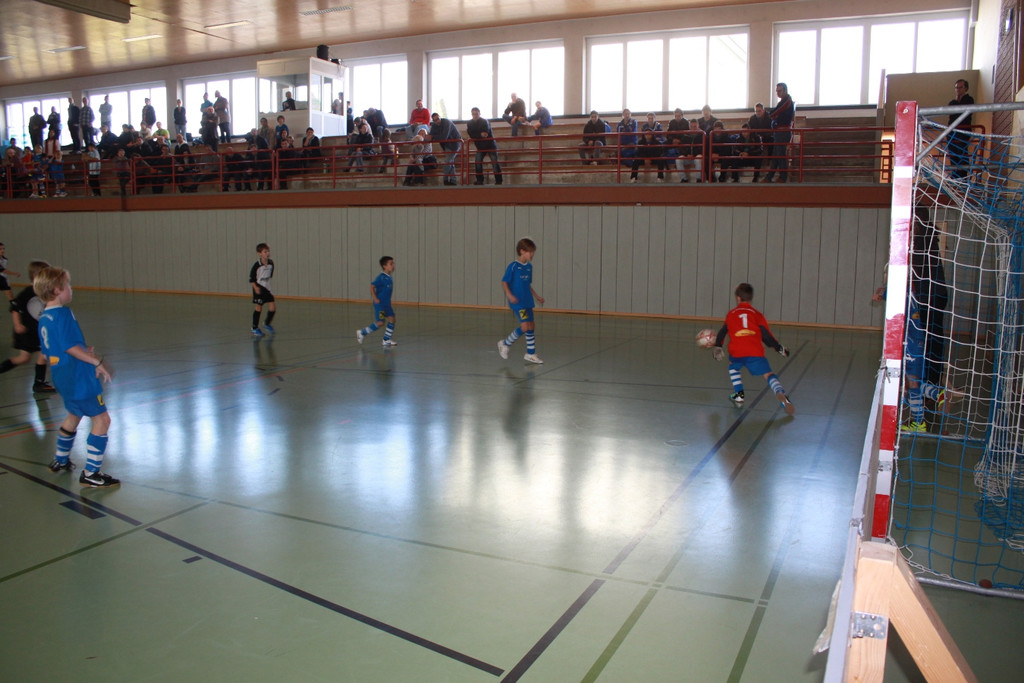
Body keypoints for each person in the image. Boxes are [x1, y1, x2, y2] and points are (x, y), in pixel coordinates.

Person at [35, 266, 119, 487]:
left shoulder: (44, 317)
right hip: (78, 377)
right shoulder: (63, 314)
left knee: (74, 414)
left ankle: (60, 459)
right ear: (57, 289)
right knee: (102, 419)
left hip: (62, 376)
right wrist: (94, 361)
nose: (71, 289)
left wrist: (84, 350)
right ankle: (91, 473)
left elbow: (48, 351)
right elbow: (69, 346)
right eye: (68, 285)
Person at [711, 282, 794, 415]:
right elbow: (766, 336)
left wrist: (718, 346)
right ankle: (780, 392)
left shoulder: (731, 314)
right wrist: (779, 348)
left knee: (733, 366)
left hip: (737, 351)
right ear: (751, 298)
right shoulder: (757, 315)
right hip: (755, 352)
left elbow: (723, 331)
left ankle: (739, 394)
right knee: (768, 374)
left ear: (738, 298)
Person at [0, 259, 56, 392]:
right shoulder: (28, 292)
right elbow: (15, 308)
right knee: (39, 355)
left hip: (37, 331)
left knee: (26, 357)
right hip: (27, 332)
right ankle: (39, 383)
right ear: (36, 276)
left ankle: (39, 383)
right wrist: (18, 325)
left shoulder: (45, 293)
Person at [497, 237, 545, 364]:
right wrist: (510, 295)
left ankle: (530, 354)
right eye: (530, 252)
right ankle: (505, 344)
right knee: (524, 326)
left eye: (533, 252)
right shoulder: (513, 266)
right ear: (522, 251)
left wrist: (536, 296)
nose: (532, 254)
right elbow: (504, 281)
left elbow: (527, 284)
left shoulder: (529, 267)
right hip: (518, 303)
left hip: (527, 301)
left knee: (531, 326)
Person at [355, 256, 398, 347]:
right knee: (381, 322)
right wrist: (375, 298)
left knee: (392, 319)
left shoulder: (389, 277)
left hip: (387, 305)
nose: (393, 265)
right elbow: (372, 286)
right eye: (391, 264)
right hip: (380, 305)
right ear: (384, 266)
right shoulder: (381, 278)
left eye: (393, 263)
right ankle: (362, 332)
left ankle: (386, 340)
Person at [763, 82, 795, 183]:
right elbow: (775, 113)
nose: (777, 93)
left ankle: (782, 176)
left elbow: (775, 112)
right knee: (777, 155)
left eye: (779, 91)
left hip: (782, 131)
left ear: (785, 90)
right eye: (777, 91)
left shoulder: (786, 101)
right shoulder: (784, 101)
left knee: (780, 155)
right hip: (780, 131)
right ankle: (770, 176)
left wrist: (772, 115)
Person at [947, 79, 975, 178]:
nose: (958, 89)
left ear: (966, 88)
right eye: (956, 88)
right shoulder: (952, 102)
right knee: (953, 153)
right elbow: (951, 115)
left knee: (961, 152)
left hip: (963, 131)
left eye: (960, 87)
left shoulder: (969, 100)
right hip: (952, 132)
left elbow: (964, 114)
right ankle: (955, 176)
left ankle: (963, 176)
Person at [467, 107, 502, 185]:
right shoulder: (470, 123)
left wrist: (476, 135)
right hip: (480, 146)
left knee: (494, 163)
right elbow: (473, 134)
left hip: (490, 145)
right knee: (478, 162)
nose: (475, 116)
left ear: (479, 114)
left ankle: (498, 181)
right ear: (471, 114)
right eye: (473, 114)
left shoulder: (484, 121)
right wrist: (480, 135)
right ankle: (480, 180)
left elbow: (484, 134)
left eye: (476, 114)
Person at [429, 113, 462, 186]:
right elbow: (431, 136)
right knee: (450, 162)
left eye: (438, 119)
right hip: (446, 145)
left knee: (448, 161)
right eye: (435, 120)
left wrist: (434, 137)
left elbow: (444, 137)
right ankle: (453, 180)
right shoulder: (434, 126)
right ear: (433, 121)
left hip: (455, 143)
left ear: (440, 117)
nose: (437, 121)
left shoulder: (447, 122)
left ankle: (445, 179)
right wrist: (434, 137)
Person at [249, 243, 275, 336]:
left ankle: (267, 323)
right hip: (259, 288)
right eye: (265, 252)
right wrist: (256, 288)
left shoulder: (271, 263)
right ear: (259, 253)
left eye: (268, 251)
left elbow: (270, 275)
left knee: (272, 307)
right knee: (258, 308)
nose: (267, 253)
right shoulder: (257, 265)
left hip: (267, 288)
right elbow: (252, 279)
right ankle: (254, 328)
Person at [747, 102, 772, 183]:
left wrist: (763, 135)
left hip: (767, 137)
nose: (758, 113)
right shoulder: (752, 118)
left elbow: (771, 129)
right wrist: (757, 136)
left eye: (759, 111)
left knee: (772, 140)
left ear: (763, 110)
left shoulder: (769, 117)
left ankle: (770, 159)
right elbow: (749, 129)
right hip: (756, 137)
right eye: (756, 111)